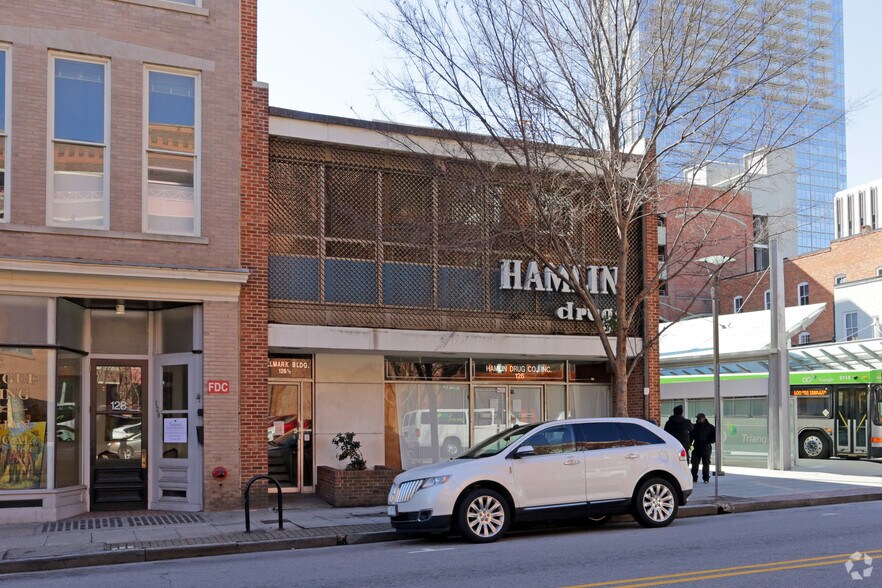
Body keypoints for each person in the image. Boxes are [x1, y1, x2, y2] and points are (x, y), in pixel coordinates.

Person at [690, 413, 716, 484]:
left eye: (700, 418)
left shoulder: (710, 427)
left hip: (706, 448)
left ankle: (706, 478)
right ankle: (694, 478)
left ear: (704, 418)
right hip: (696, 448)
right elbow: (691, 437)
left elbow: (715, 436)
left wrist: (708, 441)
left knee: (706, 464)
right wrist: (690, 445)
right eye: (697, 418)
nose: (698, 420)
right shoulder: (694, 427)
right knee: (695, 464)